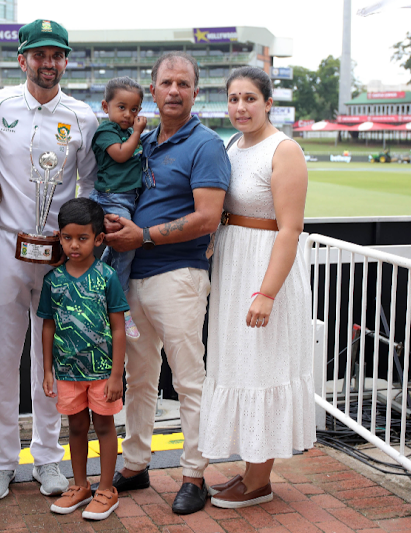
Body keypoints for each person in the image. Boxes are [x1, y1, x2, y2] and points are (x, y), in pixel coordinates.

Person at [99, 51, 230, 515]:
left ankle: (195, 474)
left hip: (178, 279)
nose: (174, 90)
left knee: (189, 379)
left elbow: (208, 217)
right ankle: (135, 464)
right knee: (139, 377)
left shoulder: (206, 144)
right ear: (151, 90)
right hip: (132, 280)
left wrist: (145, 235)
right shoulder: (146, 140)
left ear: (195, 93)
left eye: (183, 84)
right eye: (166, 83)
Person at [0, 19, 98, 500]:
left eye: (57, 55)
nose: (48, 63)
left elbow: (87, 183)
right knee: (4, 361)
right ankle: (3, 461)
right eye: (39, 54)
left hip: (58, 255)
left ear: (66, 61)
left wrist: (80, 241)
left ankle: (48, 458)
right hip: (7, 246)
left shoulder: (83, 116)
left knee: (51, 357)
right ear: (22, 59)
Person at [199, 66, 315, 509]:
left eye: (250, 98)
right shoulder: (232, 145)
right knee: (238, 363)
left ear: (268, 102)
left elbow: (289, 230)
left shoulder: (284, 150)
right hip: (233, 265)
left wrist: (266, 292)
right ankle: (251, 469)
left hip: (266, 268)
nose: (241, 107)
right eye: (233, 99)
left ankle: (260, 480)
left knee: (261, 364)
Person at [38, 198, 127, 521]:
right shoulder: (53, 281)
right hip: (67, 372)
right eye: (67, 238)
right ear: (59, 237)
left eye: (82, 238)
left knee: (103, 425)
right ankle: (79, 486)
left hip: (103, 372)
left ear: (99, 239)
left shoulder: (107, 278)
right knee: (75, 427)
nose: (73, 245)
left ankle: (106, 489)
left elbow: (119, 330)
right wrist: (47, 369)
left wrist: (117, 375)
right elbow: (47, 326)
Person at [89, 77, 146, 340]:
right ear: (105, 106)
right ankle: (120, 309)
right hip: (112, 199)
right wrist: (137, 133)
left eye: (134, 109)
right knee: (126, 249)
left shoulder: (126, 132)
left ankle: (100, 289)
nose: (128, 114)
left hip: (126, 199)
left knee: (114, 252)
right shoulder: (106, 131)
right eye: (122, 107)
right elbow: (122, 154)